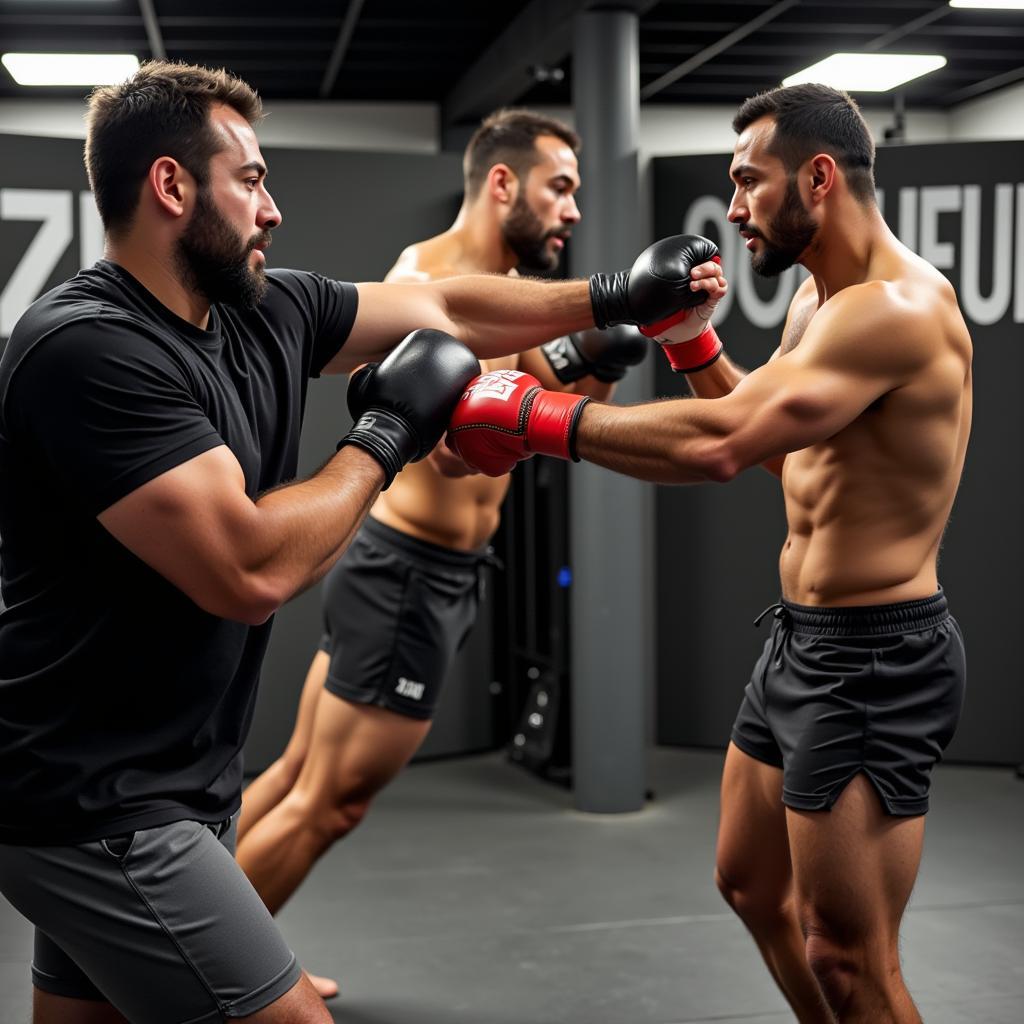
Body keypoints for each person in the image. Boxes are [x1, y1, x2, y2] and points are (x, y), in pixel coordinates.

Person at [0, 63, 705, 1024]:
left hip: (169, 777)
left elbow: (451, 310)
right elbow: (249, 568)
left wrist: (616, 294)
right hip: (91, 799)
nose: (272, 207)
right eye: (248, 180)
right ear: (171, 187)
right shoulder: (88, 348)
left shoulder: (265, 313)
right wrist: (381, 439)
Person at [447, 83, 971, 1024]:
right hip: (802, 642)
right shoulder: (821, 301)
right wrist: (689, 338)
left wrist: (535, 418)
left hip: (874, 660)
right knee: (750, 885)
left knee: (849, 958)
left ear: (818, 177)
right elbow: (772, 442)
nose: (733, 209)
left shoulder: (893, 311)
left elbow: (720, 446)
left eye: (747, 182)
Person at [233, 109, 646, 997]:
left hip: (426, 572)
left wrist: (605, 356)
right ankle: (209, 985)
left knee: (301, 775)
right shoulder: (431, 280)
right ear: (504, 184)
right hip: (408, 573)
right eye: (560, 187)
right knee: (329, 801)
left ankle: (220, 946)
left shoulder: (505, 286)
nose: (573, 211)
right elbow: (460, 452)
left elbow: (544, 406)